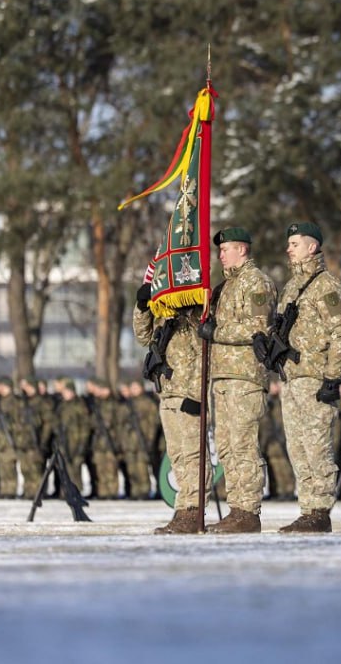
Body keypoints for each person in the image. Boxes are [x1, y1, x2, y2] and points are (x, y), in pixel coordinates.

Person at [258, 221, 341, 532]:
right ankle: (307, 509)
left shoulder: (326, 286)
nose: (289, 249)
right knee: (297, 448)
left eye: (295, 243)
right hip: (292, 379)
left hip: (314, 379)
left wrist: (332, 377)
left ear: (312, 247)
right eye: (289, 244)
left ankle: (320, 511)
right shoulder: (291, 288)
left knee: (316, 447)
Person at [197, 226, 277, 533]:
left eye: (225, 249)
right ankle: (236, 508)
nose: (220, 255)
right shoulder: (225, 287)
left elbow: (259, 328)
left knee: (243, 444)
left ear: (242, 250)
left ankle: (248, 510)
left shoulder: (256, 282)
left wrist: (216, 333)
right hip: (223, 376)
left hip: (245, 375)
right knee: (228, 447)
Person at [132, 278, 206, 532]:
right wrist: (142, 307)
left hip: (188, 393)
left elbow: (203, 356)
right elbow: (143, 336)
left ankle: (194, 509)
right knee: (177, 455)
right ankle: (183, 507)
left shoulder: (195, 315)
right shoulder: (164, 314)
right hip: (168, 392)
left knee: (193, 453)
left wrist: (197, 396)